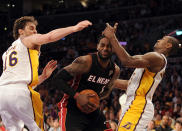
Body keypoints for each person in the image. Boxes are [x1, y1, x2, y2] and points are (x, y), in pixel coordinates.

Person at [0, 16, 92, 131]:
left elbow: (17, 81)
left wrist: (43, 77)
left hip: (2, 94)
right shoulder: (26, 40)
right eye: (31, 28)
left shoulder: (7, 52)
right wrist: (74, 28)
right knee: (37, 128)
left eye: (35, 29)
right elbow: (49, 36)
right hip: (19, 92)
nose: (35, 31)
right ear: (21, 31)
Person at [102, 23, 181, 131]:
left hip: (139, 104)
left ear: (168, 45)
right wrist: (104, 79)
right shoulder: (150, 59)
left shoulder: (157, 58)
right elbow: (129, 84)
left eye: (162, 39)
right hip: (132, 104)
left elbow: (127, 61)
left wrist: (112, 37)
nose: (158, 40)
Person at [52, 35, 120, 131]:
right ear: (97, 47)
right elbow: (57, 79)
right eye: (102, 45)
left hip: (92, 110)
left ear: (113, 48)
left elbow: (107, 90)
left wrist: (95, 99)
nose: (105, 48)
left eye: (109, 46)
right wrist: (78, 96)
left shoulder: (115, 70)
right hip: (72, 108)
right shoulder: (85, 62)